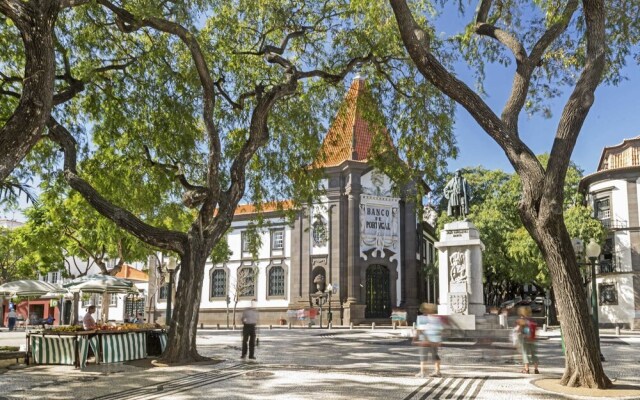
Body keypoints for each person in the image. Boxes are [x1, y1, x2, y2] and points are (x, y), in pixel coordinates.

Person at [413, 302, 444, 378]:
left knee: (423, 356)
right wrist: (439, 340)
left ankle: (423, 372)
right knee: (435, 356)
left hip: (425, 340)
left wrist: (415, 338)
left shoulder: (421, 318)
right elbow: (440, 329)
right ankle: (437, 371)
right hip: (435, 340)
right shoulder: (437, 318)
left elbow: (419, 329)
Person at [516, 306, 539, 374]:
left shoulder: (521, 320)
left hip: (525, 339)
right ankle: (536, 369)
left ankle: (527, 369)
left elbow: (518, 330)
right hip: (533, 339)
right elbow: (536, 330)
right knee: (534, 354)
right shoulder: (533, 319)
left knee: (525, 354)